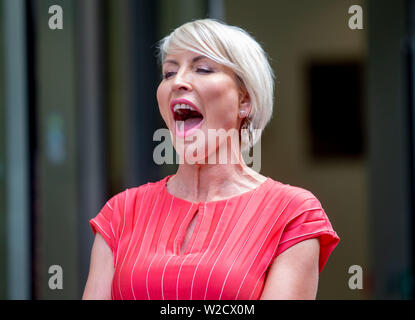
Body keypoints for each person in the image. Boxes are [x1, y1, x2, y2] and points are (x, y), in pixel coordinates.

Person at [82, 19, 340, 300]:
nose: (178, 81)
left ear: (245, 100)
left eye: (202, 68)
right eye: (169, 73)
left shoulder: (293, 214)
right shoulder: (120, 213)